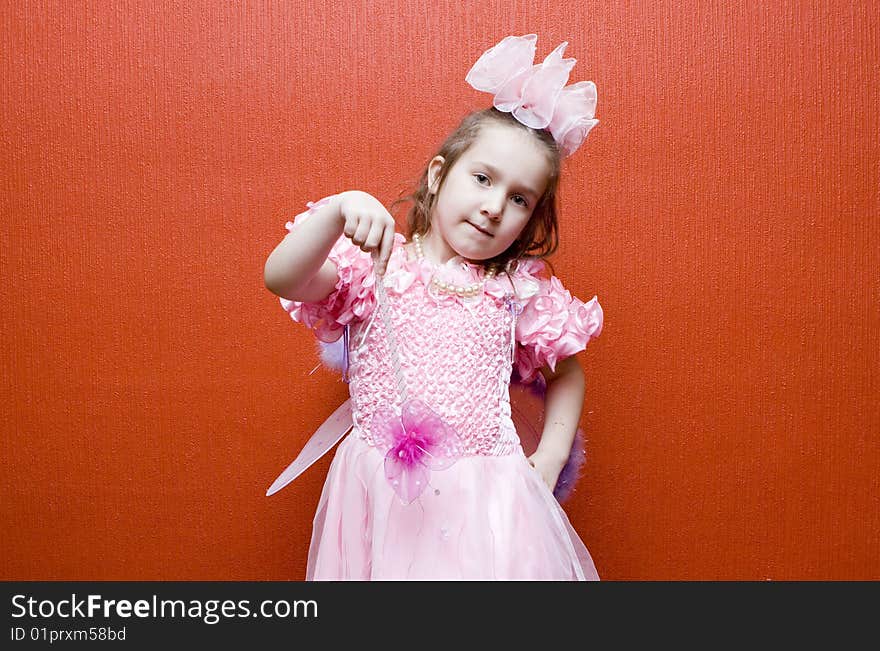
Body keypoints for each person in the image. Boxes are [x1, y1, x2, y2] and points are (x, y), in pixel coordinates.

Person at [263, 34, 604, 580]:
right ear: (439, 174)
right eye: (483, 178)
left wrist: (552, 455)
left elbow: (568, 373)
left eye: (520, 199)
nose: (495, 207)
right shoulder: (376, 265)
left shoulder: (516, 290)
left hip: (485, 505)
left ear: (532, 218)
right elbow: (282, 277)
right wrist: (337, 211)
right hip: (384, 499)